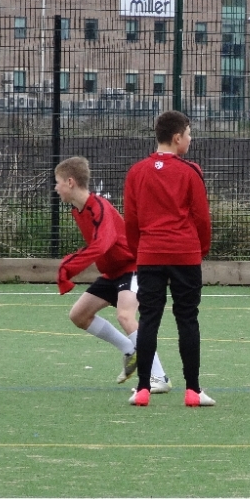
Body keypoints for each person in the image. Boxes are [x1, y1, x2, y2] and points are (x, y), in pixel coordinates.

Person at [54, 156, 170, 393]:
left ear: (70, 182)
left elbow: (102, 244)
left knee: (125, 316)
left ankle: (160, 377)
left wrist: (69, 266)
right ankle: (130, 350)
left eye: (58, 182)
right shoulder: (79, 210)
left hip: (133, 266)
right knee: (79, 315)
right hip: (113, 273)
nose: (56, 188)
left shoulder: (99, 207)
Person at [123, 110, 214, 408]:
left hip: (150, 254)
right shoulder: (190, 172)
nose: (190, 139)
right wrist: (200, 249)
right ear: (177, 138)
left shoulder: (137, 172)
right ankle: (193, 391)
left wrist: (140, 250)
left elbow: (131, 220)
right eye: (188, 134)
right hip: (185, 254)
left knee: (149, 318)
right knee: (187, 318)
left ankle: (143, 389)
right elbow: (202, 217)